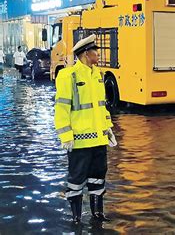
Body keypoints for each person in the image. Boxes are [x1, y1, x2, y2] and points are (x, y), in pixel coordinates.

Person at [54, 34, 117, 224]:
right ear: (86, 54)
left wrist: (108, 128)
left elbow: (101, 106)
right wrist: (65, 135)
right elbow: (62, 107)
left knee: (98, 178)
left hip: (99, 140)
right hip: (79, 141)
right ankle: (76, 218)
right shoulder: (68, 76)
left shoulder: (98, 74)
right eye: (95, 51)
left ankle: (97, 214)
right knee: (76, 181)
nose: (98, 54)